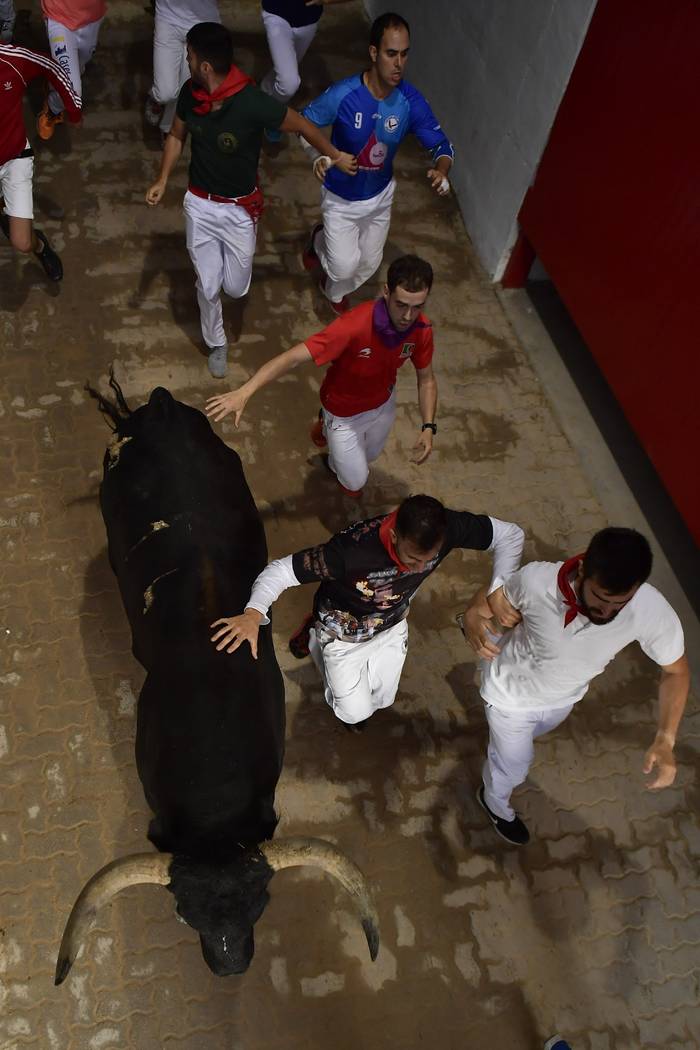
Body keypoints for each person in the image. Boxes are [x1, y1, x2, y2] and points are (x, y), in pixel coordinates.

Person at [145, 21, 357, 380]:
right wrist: (163, 179)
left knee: (235, 285)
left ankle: (225, 305)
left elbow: (304, 126)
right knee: (207, 285)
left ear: (205, 66)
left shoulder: (252, 103)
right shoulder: (189, 93)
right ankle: (217, 342)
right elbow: (177, 135)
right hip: (199, 203)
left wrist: (335, 155)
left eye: (190, 57)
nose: (188, 61)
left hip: (240, 210)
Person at [210, 495, 524, 731]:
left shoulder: (449, 527)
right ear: (394, 536)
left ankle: (315, 635)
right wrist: (253, 613)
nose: (419, 568)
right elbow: (279, 572)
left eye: (428, 559)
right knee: (354, 713)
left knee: (384, 700)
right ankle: (316, 637)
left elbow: (511, 535)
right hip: (342, 635)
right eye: (413, 558)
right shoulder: (348, 553)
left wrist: (498, 589)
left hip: (393, 623)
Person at [462, 527, 689, 846]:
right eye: (601, 598)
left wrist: (666, 739)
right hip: (509, 697)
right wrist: (472, 615)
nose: (607, 612)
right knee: (514, 766)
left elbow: (676, 672)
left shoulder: (650, 608)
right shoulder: (536, 580)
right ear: (582, 571)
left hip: (563, 700)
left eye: (620, 603)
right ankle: (494, 801)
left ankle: (501, 754)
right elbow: (495, 597)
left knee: (518, 747)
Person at [206, 254, 437, 497]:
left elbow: (427, 379)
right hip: (343, 414)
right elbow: (292, 358)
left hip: (384, 404)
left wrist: (428, 426)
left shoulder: (421, 329)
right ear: (386, 292)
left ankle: (329, 436)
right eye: (402, 305)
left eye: (417, 306)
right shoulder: (353, 326)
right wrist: (245, 392)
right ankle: (328, 427)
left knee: (371, 455)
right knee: (356, 481)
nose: (408, 317)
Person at [299, 11, 454, 314]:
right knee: (344, 267)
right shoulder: (344, 94)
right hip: (341, 199)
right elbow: (304, 124)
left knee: (369, 265)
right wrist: (321, 155)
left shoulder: (410, 101)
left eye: (405, 55)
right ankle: (319, 242)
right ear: (373, 52)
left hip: (380, 196)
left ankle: (330, 291)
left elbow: (441, 145)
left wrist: (442, 170)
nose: (399, 64)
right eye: (391, 53)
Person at [0, 40, 82, 281]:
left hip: (14, 159)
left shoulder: (12, 60)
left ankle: (40, 247)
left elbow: (52, 66)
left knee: (22, 242)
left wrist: (73, 107)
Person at [259, 0, 356, 142]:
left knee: (287, 67)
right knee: (289, 83)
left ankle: (266, 87)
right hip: (276, 13)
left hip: (309, 19)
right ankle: (274, 117)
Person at [144, 0, 222, 136]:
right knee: (165, 93)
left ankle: (168, 129)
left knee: (184, 90)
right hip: (168, 19)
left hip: (204, 23)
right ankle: (156, 98)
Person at [37, 0, 106, 140]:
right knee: (72, 90)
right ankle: (52, 106)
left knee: (78, 67)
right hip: (59, 17)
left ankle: (52, 84)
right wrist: (75, 116)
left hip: (92, 18)